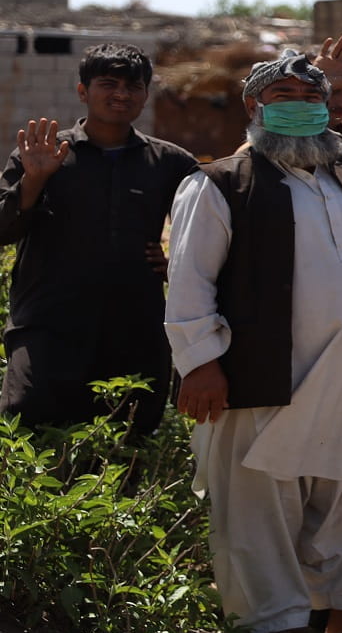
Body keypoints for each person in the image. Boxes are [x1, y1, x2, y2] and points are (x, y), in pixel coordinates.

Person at [165, 49, 342, 633]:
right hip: (262, 374)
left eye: (310, 97)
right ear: (255, 107)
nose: (300, 108)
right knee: (263, 500)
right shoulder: (219, 182)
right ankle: (278, 623)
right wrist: (200, 363)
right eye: (283, 97)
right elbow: (190, 278)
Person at [2, 43, 199, 434]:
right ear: (82, 91)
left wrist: (177, 264)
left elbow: (208, 230)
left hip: (135, 332)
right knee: (26, 424)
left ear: (146, 93)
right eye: (108, 84)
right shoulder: (43, 154)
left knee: (128, 441)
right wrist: (35, 180)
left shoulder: (172, 163)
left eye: (133, 86)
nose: (121, 94)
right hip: (49, 328)